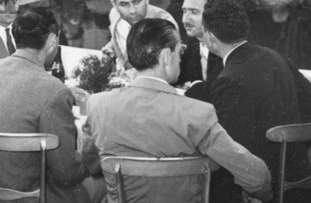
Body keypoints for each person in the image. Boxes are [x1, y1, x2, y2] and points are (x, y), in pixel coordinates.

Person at [82, 18, 272, 203]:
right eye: (179, 52)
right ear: (166, 56)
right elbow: (256, 176)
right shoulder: (197, 114)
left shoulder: (97, 105)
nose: (181, 59)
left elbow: (91, 164)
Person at [0, 8, 104, 203]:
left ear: (16, 39)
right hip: (33, 197)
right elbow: (67, 173)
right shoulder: (54, 90)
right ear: (51, 41)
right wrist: (93, 152)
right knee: (108, 180)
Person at [202, 0, 311, 202]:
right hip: (301, 177)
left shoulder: (228, 80)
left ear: (210, 37)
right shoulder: (275, 57)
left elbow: (233, 154)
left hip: (266, 189)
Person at [104, 0, 176, 72]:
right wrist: (109, 49)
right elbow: (119, 38)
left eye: (137, 1)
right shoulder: (114, 15)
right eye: (124, 4)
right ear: (114, 4)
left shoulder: (164, 23)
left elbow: (168, 68)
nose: (132, 11)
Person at [177, 0, 224, 101]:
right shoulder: (187, 45)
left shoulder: (227, 48)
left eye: (194, 12)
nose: (185, 19)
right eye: (184, 11)